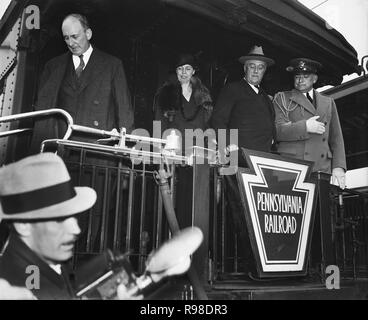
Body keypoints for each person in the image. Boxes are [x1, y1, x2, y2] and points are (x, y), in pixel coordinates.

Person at [0, 153, 141, 300]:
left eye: (73, 215)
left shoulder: (47, 261)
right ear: (23, 225)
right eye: (60, 219)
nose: (77, 229)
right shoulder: (18, 288)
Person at [210, 45, 276, 275]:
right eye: (252, 67)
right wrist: (228, 144)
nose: (256, 71)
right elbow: (218, 120)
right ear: (245, 69)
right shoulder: (233, 90)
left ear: (264, 71)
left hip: (261, 164)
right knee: (237, 213)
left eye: (260, 68)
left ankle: (257, 265)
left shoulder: (267, 99)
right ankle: (233, 266)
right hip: (237, 162)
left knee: (257, 216)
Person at [30, 13, 134, 153]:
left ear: (88, 33)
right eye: (66, 38)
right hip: (62, 151)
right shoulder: (53, 67)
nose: (71, 43)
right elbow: (43, 113)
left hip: (97, 153)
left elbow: (124, 111)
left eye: (75, 36)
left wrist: (126, 148)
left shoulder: (112, 65)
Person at [273, 58, 346, 189]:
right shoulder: (282, 98)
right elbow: (277, 131)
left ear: (315, 79)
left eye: (305, 76)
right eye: (297, 76)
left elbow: (336, 138)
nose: (300, 80)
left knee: (321, 208)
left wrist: (338, 167)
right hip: (293, 168)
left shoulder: (328, 102)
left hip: (322, 168)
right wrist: (305, 127)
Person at [154, 53, 214, 156]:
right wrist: (160, 148)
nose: (184, 72)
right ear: (176, 71)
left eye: (188, 68)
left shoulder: (203, 95)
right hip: (174, 152)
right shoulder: (165, 94)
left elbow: (208, 123)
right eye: (180, 68)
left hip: (198, 153)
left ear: (193, 71)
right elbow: (159, 123)